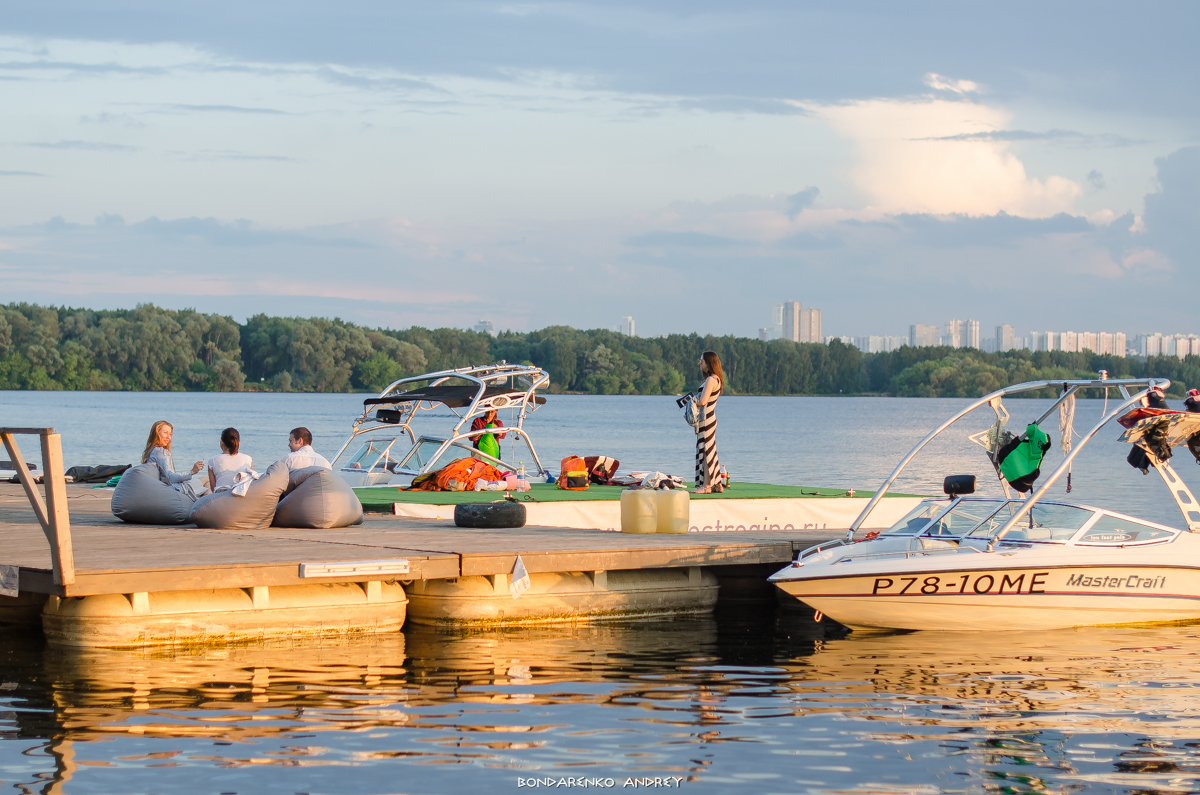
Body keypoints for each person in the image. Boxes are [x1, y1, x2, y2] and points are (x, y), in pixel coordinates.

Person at [692, 350, 725, 494]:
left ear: (709, 363)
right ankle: (716, 483)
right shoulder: (714, 379)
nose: (699, 363)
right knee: (709, 450)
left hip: (707, 419)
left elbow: (703, 401)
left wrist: (691, 401)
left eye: (702, 361)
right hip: (709, 418)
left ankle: (706, 486)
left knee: (706, 451)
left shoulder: (712, 379)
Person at [142, 420, 203, 496]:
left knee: (203, 485)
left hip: (158, 489)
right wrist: (192, 472)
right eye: (165, 433)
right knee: (206, 481)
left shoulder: (151, 451)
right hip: (170, 490)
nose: (169, 437)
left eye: (170, 434)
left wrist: (181, 479)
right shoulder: (161, 451)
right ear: (156, 434)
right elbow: (170, 478)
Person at [207, 427, 253, 492]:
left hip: (221, 497)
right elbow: (250, 482)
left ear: (221, 443)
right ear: (238, 443)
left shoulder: (212, 461)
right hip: (242, 497)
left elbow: (213, 489)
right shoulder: (248, 459)